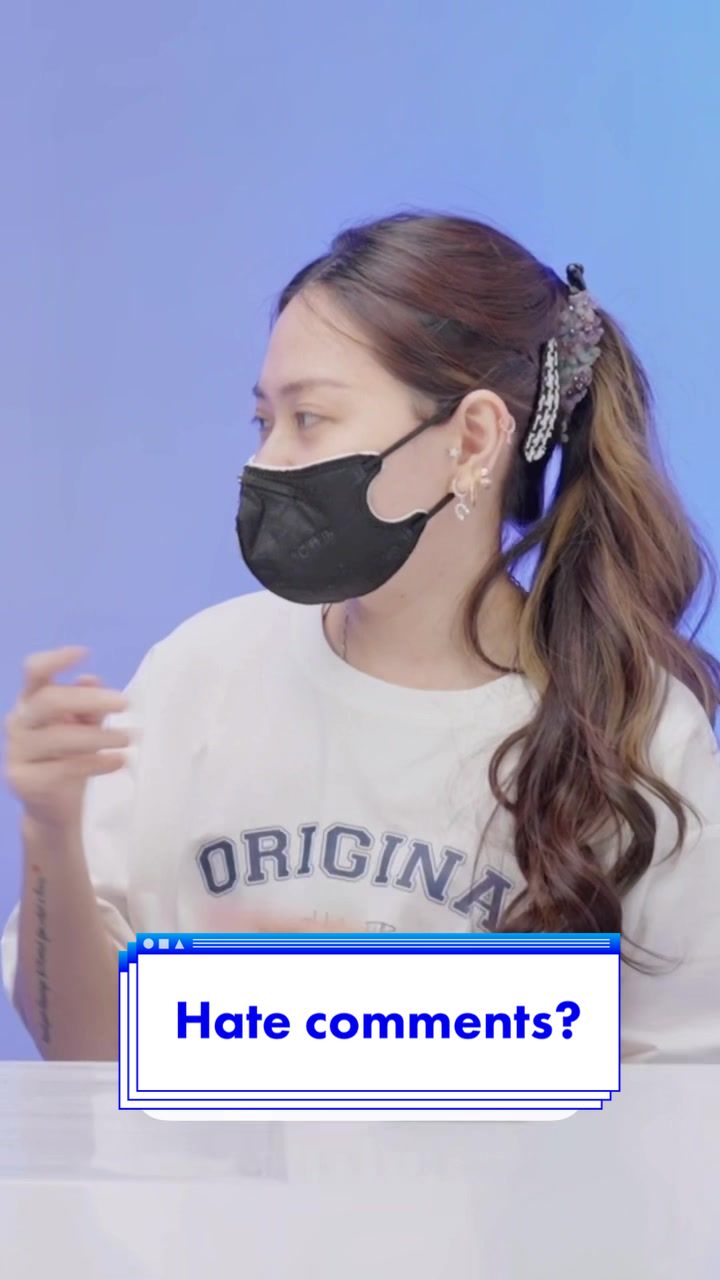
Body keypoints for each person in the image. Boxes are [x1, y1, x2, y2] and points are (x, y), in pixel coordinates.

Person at [2, 209, 719, 1063]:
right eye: (263, 421)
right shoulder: (199, 672)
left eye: (310, 419)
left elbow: (683, 1098)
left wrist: (330, 1011)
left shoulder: (634, 732)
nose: (267, 463)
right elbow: (81, 1048)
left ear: (473, 439)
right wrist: (50, 833)